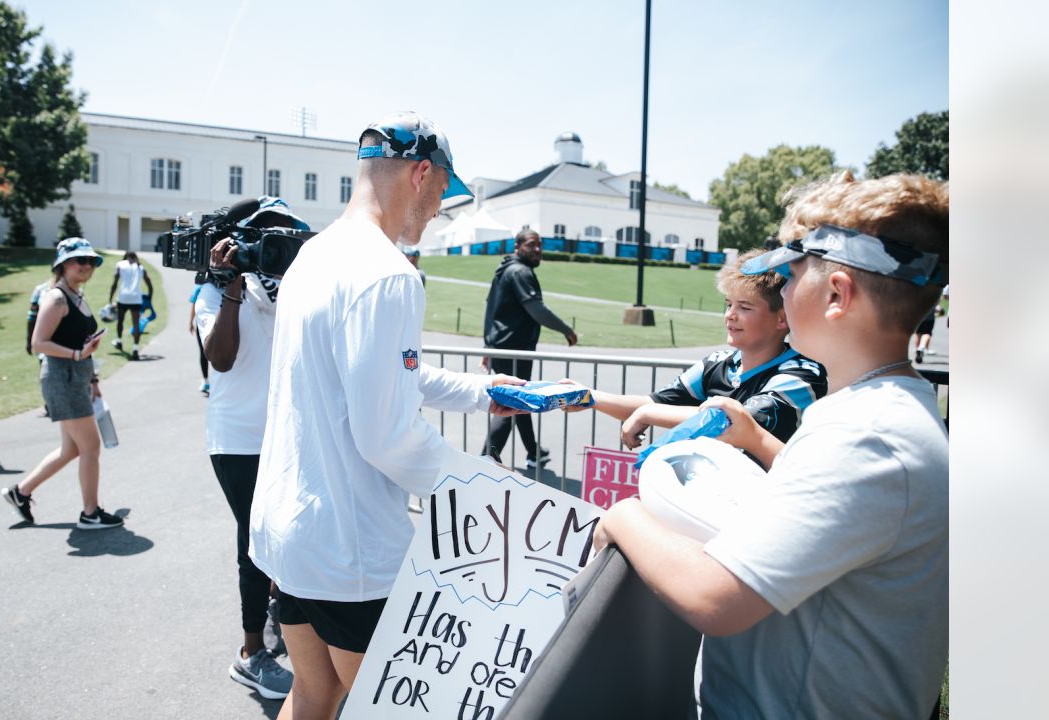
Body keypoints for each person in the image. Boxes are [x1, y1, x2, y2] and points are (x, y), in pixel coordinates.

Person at [592, 171, 948, 718]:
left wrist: (622, 516)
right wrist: (758, 438)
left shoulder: (867, 437)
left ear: (836, 293)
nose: (779, 291)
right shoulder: (876, 414)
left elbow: (716, 597)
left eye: (788, 274)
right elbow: (835, 504)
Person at [249, 111, 529, 720]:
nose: (435, 214)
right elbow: (387, 435)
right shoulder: (388, 274)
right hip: (349, 550)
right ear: (421, 173)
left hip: (289, 531)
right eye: (440, 197)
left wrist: (482, 392)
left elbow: (374, 377)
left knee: (314, 695)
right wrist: (487, 493)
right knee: (396, 709)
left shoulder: (312, 256)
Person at [195, 198, 310, 701]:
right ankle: (250, 655)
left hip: (287, 433)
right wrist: (232, 290)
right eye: (264, 232)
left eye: (285, 233)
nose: (273, 242)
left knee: (289, 533)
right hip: (237, 438)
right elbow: (220, 359)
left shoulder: (294, 291)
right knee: (255, 542)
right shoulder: (212, 289)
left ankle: (272, 616)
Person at [587, 248, 827, 463]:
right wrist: (589, 397)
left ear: (783, 318)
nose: (730, 315)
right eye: (728, 304)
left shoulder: (802, 375)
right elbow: (653, 403)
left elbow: (732, 421)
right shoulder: (717, 363)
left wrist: (648, 414)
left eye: (744, 307)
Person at [1, 238, 123, 530]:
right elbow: (37, 343)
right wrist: (77, 354)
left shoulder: (76, 294)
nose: (86, 266)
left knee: (71, 450)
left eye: (91, 261)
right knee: (91, 447)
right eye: (79, 260)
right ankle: (90, 514)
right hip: (62, 379)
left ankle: (21, 492)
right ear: (63, 264)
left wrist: (92, 378)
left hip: (77, 378)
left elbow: (79, 340)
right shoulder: (56, 297)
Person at [480, 229, 578, 469]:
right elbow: (538, 310)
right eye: (532, 245)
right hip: (514, 350)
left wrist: (488, 346)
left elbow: (490, 308)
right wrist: (567, 330)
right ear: (517, 246)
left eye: (539, 245)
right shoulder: (520, 272)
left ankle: (534, 452)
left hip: (502, 348)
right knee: (513, 403)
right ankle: (484, 460)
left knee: (521, 400)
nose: (537, 250)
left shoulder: (505, 269)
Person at [107, 250, 153, 360]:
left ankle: (119, 341)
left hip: (123, 298)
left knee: (120, 321)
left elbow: (114, 283)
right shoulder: (141, 268)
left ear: (126, 257)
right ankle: (135, 350)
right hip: (136, 298)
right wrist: (149, 299)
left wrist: (110, 299)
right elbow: (150, 285)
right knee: (136, 324)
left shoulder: (120, 265)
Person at [188, 274, 212, 397]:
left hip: (202, 325)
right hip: (214, 323)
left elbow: (194, 305)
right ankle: (208, 380)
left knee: (203, 353)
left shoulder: (199, 287)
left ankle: (205, 380)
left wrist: (190, 322)